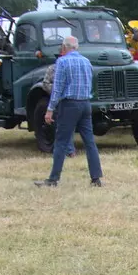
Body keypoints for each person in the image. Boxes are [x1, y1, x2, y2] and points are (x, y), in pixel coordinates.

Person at [34, 35, 101, 188]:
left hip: (69, 105)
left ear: (64, 48)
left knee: (61, 142)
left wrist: (49, 109)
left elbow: (57, 89)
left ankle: (53, 179)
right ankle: (96, 178)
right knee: (89, 142)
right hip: (85, 104)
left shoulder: (62, 62)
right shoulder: (87, 62)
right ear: (76, 47)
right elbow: (90, 84)